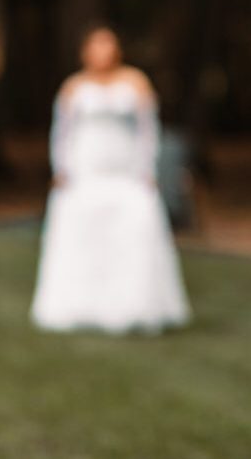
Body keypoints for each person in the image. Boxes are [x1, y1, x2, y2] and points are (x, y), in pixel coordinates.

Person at [30, 25, 192, 334]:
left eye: (108, 45)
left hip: (125, 171)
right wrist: (61, 168)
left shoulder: (135, 82)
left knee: (132, 232)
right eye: (96, 45)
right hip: (85, 171)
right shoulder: (73, 87)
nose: (102, 52)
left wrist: (148, 170)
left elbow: (148, 130)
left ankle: (134, 305)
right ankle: (80, 304)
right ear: (85, 51)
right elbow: (62, 132)